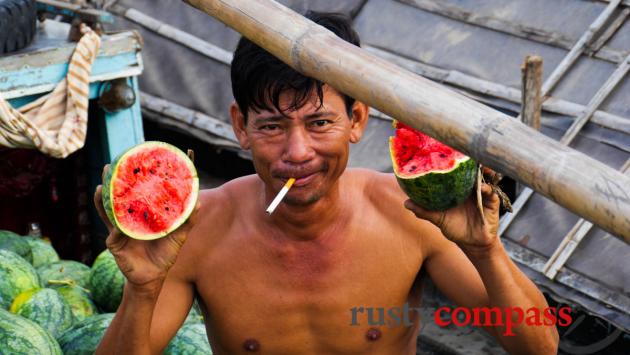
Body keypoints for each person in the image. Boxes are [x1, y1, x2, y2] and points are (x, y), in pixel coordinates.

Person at [94, 11, 558, 355]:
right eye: (272, 126)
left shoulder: (408, 215)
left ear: (357, 119)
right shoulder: (198, 231)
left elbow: (540, 347)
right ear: (240, 126)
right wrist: (144, 288)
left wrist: (485, 250)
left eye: (319, 123)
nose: (298, 153)